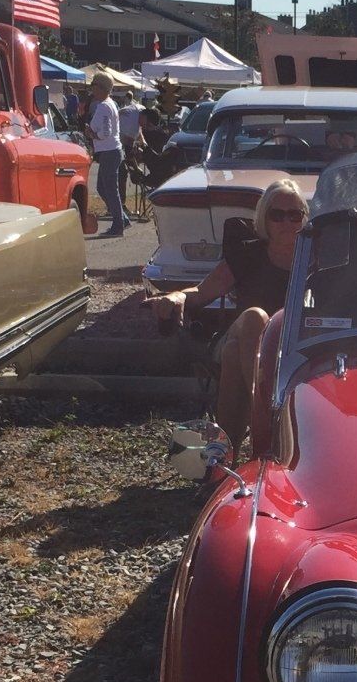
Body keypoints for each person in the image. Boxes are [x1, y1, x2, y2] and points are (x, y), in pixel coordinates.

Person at [152, 177, 306, 451]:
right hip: (247, 333)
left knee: (236, 353)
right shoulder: (247, 254)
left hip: (292, 346)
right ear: (264, 219)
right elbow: (201, 292)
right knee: (256, 319)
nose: (286, 223)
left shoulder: (315, 259)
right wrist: (176, 296)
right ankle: (270, 418)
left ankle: (228, 453)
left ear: (304, 219)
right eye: (277, 215)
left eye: (294, 215)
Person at [87, 73, 127, 237]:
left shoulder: (103, 106)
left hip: (109, 150)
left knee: (109, 189)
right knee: (105, 188)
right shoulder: (110, 104)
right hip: (112, 150)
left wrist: (91, 134)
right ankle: (122, 219)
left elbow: (105, 132)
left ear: (101, 88)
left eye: (94, 86)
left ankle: (118, 224)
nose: (92, 90)